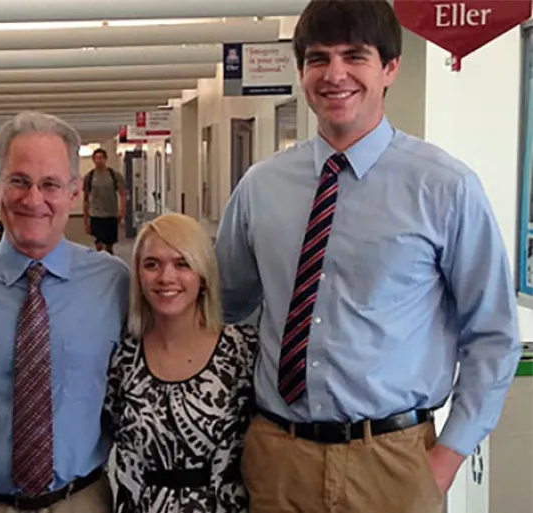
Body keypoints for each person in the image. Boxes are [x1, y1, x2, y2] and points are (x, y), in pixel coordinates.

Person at [214, 1, 523, 512]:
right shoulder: (261, 187)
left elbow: (492, 335)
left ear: (390, 68)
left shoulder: (443, 187)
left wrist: (447, 456)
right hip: (278, 458)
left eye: (354, 56)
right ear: (301, 72)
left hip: (394, 463)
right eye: (319, 59)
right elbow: (228, 308)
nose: (335, 74)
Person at [0, 111, 129, 513]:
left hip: (80, 502)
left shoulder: (114, 284)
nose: (33, 199)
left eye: (50, 185)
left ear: (75, 192)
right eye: (18, 181)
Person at [107, 214, 256, 513]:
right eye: (152, 264)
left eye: (182, 263)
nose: (166, 277)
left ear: (202, 275)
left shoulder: (242, 352)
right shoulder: (122, 358)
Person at [82, 147, 127, 254]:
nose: (99, 160)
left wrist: (122, 210)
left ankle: (109, 260)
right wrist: (86, 218)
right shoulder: (90, 176)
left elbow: (122, 193)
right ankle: (100, 260)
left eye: (101, 157)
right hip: (96, 214)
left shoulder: (114, 175)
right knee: (98, 243)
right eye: (96, 158)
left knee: (109, 244)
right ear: (93, 160)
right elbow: (86, 197)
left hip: (111, 214)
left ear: (105, 159)